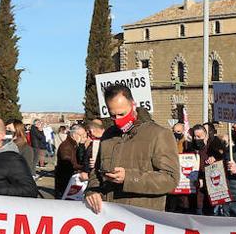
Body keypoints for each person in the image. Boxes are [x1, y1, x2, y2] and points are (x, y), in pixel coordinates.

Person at [84, 85, 179, 213]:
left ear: (133, 105)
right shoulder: (108, 135)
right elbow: (96, 173)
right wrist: (92, 191)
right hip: (109, 217)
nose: (117, 120)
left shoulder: (159, 134)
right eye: (113, 115)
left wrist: (129, 178)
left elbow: (170, 179)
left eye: (122, 114)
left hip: (142, 218)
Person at [52, 124, 90, 200]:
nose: (84, 138)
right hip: (65, 180)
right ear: (74, 135)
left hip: (70, 179)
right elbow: (68, 163)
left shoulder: (74, 144)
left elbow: (79, 158)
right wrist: (84, 167)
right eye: (81, 135)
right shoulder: (66, 146)